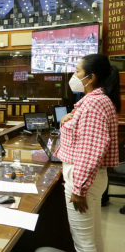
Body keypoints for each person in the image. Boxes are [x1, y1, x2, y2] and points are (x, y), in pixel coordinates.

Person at [54, 54, 120, 252]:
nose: (73, 76)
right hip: (90, 179)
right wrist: (66, 121)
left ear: (90, 78)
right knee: (92, 238)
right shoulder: (95, 101)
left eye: (77, 71)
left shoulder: (93, 104)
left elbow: (91, 151)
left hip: (82, 181)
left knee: (83, 243)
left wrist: (79, 189)